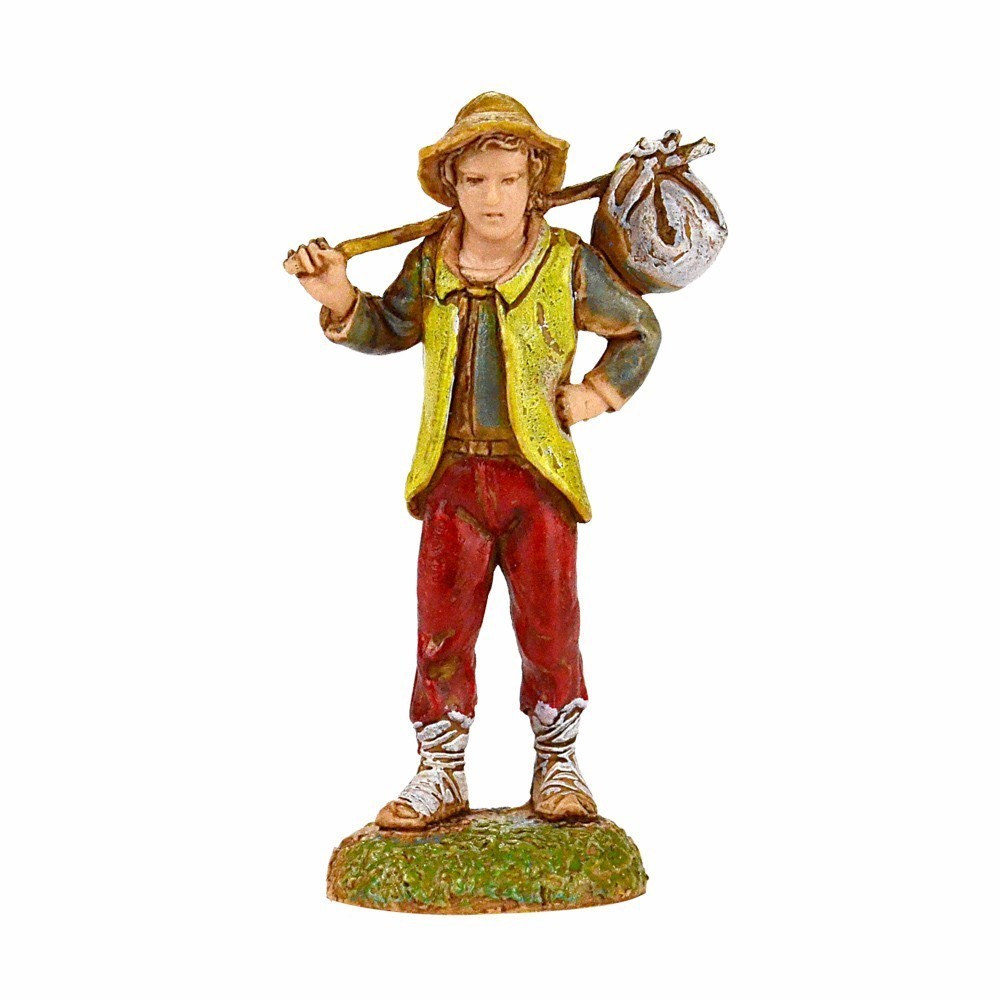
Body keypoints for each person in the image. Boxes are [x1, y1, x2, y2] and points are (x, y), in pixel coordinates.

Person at [290, 93, 660, 829]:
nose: (494, 198)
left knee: (550, 624)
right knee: (443, 627)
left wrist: (595, 394)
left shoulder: (567, 265)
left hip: (537, 480)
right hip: (452, 479)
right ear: (452, 186)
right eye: (476, 181)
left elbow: (639, 330)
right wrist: (340, 299)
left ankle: (558, 761)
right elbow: (389, 326)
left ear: (534, 183)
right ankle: (440, 768)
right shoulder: (433, 263)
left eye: (510, 180)